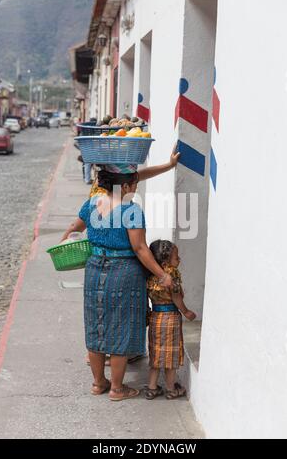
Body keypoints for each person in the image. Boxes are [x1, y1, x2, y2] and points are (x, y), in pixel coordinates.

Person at [61, 148, 180, 401]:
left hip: (95, 269)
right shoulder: (131, 210)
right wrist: (162, 274)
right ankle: (117, 388)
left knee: (96, 324)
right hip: (124, 273)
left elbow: (74, 227)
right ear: (125, 186)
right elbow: (139, 249)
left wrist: (62, 245)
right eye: (134, 183)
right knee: (120, 328)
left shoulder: (93, 202)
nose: (136, 186)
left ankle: (98, 383)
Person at [145, 240, 196, 400]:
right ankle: (171, 388)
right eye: (176, 257)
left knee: (156, 352)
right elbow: (176, 296)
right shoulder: (171, 274)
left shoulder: (151, 274)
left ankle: (152, 388)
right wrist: (186, 311)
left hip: (155, 317)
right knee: (170, 354)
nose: (179, 259)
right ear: (166, 262)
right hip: (171, 318)